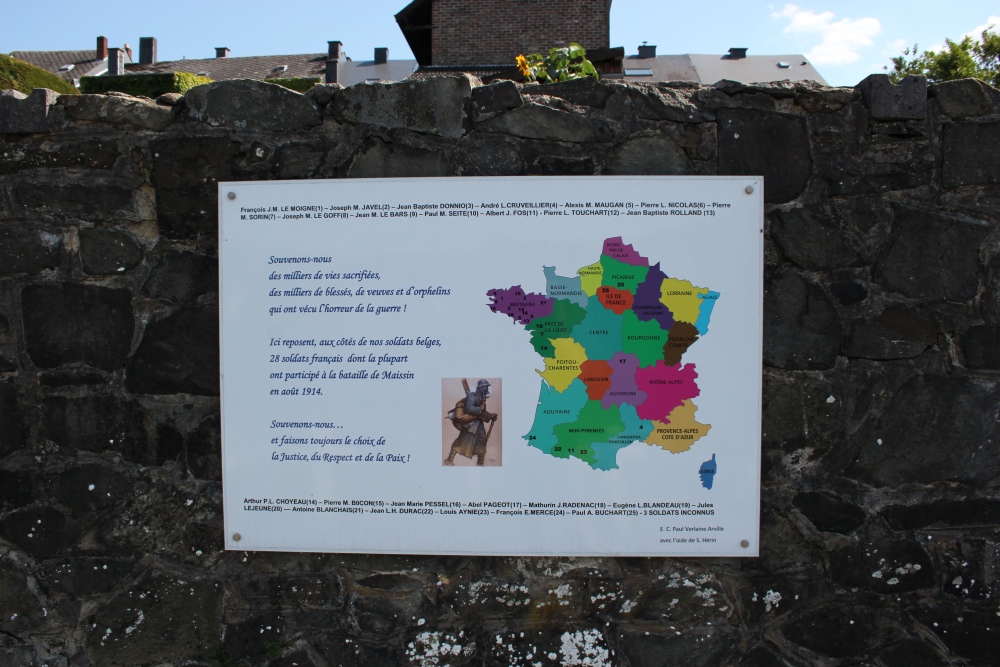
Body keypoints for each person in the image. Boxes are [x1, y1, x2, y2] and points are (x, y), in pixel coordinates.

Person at [444, 379, 497, 466]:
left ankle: (480, 464)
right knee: (461, 440)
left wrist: (490, 416)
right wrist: (481, 410)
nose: (487, 389)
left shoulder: (482, 399)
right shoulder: (472, 396)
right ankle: (449, 460)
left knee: (482, 440)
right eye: (486, 387)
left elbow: (483, 414)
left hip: (477, 424)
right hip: (469, 423)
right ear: (482, 388)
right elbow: (469, 409)